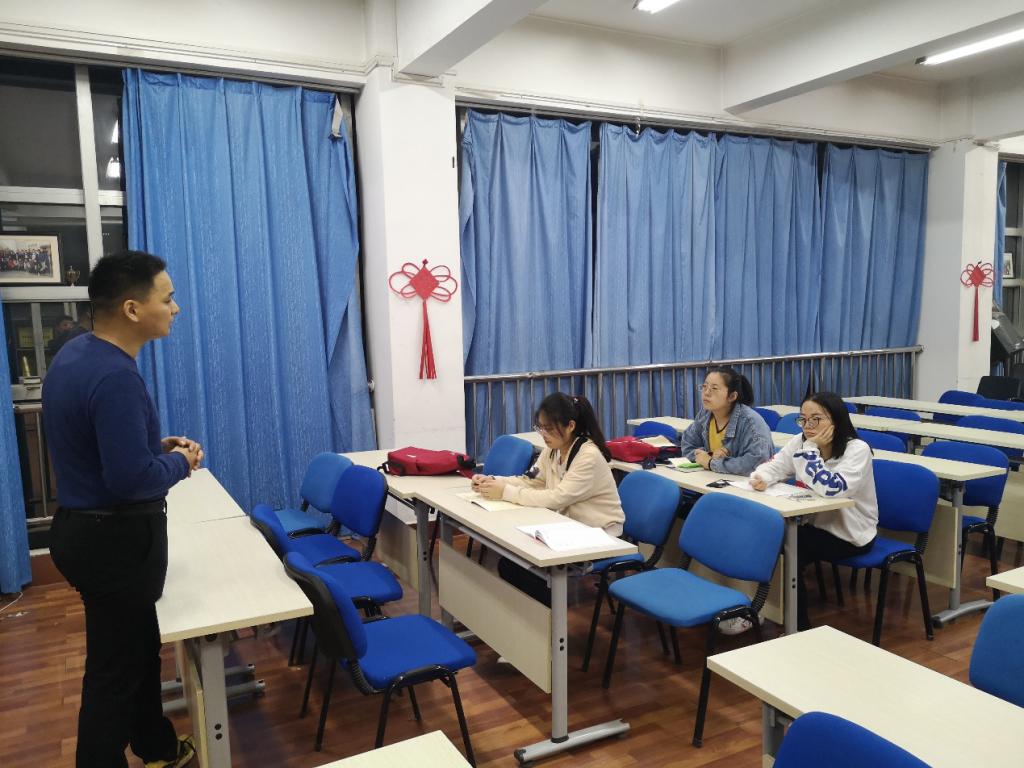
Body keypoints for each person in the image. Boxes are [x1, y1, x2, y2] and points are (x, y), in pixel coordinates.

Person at [43, 250, 203, 768]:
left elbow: (99, 448)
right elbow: (131, 481)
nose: (175, 308)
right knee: (114, 672)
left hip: (83, 531)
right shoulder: (115, 377)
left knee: (137, 650)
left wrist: (152, 447)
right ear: (133, 309)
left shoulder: (76, 353)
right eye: (168, 298)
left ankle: (156, 746)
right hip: (112, 542)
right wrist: (181, 461)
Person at [474, 392, 623, 604]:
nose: (543, 434)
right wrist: (492, 481)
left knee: (528, 571)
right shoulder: (552, 450)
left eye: (549, 428)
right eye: (540, 427)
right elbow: (530, 480)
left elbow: (557, 498)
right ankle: (525, 617)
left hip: (600, 533)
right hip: (569, 526)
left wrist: (505, 492)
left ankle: (546, 622)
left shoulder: (587, 456)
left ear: (570, 426)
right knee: (510, 564)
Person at [749, 391, 878, 632]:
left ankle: (798, 626)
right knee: (765, 536)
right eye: (803, 419)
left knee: (789, 546)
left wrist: (811, 449)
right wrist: (762, 478)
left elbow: (832, 489)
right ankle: (758, 607)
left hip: (850, 533)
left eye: (816, 419)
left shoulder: (856, 450)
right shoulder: (800, 441)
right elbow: (775, 466)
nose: (808, 426)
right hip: (813, 525)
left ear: (836, 420)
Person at [679, 366, 774, 475]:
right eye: (704, 386)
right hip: (714, 478)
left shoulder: (751, 423)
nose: (706, 393)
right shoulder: (705, 414)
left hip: (748, 483)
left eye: (714, 388)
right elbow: (687, 444)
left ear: (732, 396)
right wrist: (709, 456)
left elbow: (757, 463)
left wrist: (711, 463)